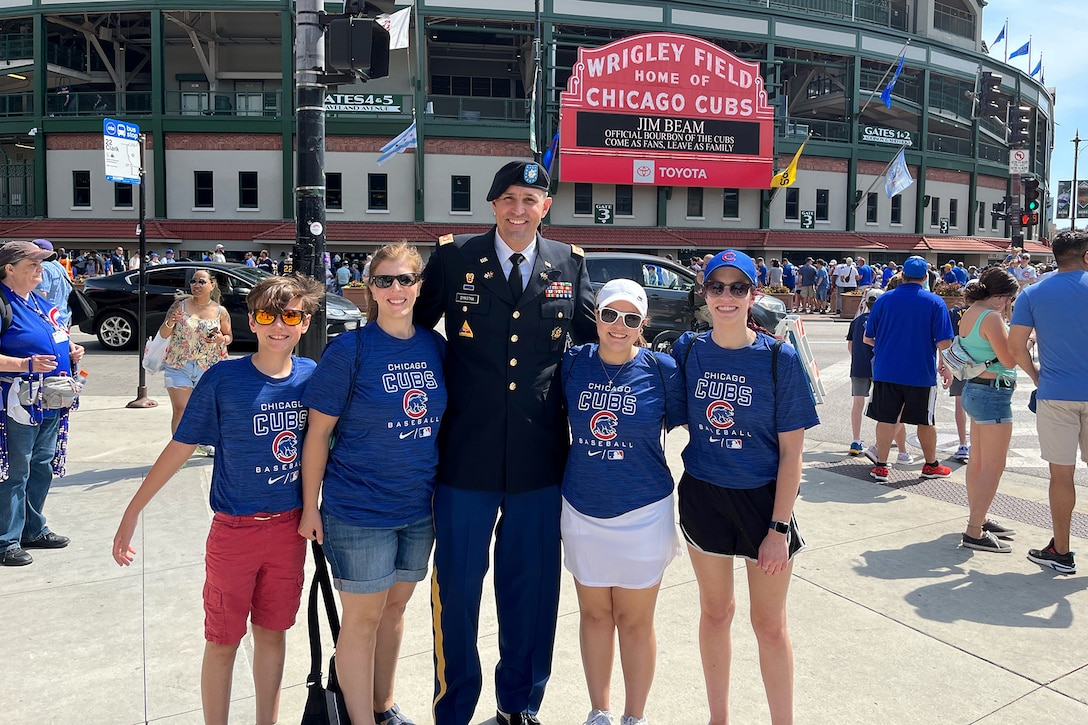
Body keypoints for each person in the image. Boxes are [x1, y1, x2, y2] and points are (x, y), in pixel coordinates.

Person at [415, 159, 596, 725]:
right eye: (509, 199)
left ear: (546, 208)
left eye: (531, 200)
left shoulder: (569, 262)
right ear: (493, 204)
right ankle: (456, 706)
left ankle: (519, 703)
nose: (519, 210)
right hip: (464, 455)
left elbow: (596, 347)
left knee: (532, 590)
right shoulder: (453, 258)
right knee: (458, 589)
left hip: (539, 458)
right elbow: (415, 334)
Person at [112, 274, 324, 723]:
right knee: (224, 640)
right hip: (234, 532)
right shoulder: (224, 379)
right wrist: (133, 511)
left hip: (290, 531)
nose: (278, 326)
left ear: (305, 322)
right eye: (267, 315)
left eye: (290, 316)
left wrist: (314, 510)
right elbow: (181, 446)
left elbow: (324, 446)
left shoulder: (312, 377)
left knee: (272, 634)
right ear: (251, 320)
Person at [299, 241, 447, 725]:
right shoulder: (349, 350)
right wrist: (310, 506)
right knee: (361, 621)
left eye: (405, 279)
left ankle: (383, 706)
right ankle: (359, 719)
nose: (395, 289)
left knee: (396, 609)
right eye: (384, 280)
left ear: (419, 286)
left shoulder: (434, 346)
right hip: (358, 510)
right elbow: (317, 434)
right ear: (369, 289)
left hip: (418, 508)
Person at [671, 249, 818, 725]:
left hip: (763, 502)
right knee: (715, 614)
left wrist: (778, 527)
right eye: (718, 287)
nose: (727, 297)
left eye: (739, 288)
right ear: (704, 293)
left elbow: (793, 454)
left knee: (769, 625)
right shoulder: (688, 350)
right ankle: (719, 718)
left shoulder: (779, 358)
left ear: (755, 294)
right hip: (704, 495)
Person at [560, 279, 684, 725]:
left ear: (642, 324)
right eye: (610, 314)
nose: (618, 325)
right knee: (594, 616)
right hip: (582, 505)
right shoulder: (572, 363)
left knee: (634, 622)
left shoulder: (662, 369)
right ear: (595, 315)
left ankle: (634, 716)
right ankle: (600, 711)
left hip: (643, 510)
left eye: (630, 319)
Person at [0, 241, 86, 566]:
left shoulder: (39, 302)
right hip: (17, 401)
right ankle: (6, 540)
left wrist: (73, 349)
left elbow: (58, 334)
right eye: (32, 263)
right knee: (16, 470)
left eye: (41, 263)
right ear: (10, 268)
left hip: (52, 398)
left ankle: (32, 528)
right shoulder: (2, 302)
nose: (40, 268)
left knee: (42, 465)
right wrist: (23, 365)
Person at [1008, 230, 1088, 574]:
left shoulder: (1034, 293)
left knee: (1061, 475)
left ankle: (1062, 551)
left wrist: (1038, 376)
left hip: (1056, 392)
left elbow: (1016, 347)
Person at [863, 255, 954, 482]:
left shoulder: (884, 300)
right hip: (920, 373)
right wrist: (946, 366)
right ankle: (931, 465)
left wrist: (886, 347)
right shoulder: (935, 302)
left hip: (886, 370)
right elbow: (944, 343)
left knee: (886, 418)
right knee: (925, 420)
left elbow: (868, 337)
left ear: (902, 276)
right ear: (925, 277)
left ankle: (881, 466)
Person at [954, 268, 1020, 553]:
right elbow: (1008, 360)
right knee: (993, 465)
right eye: (1010, 299)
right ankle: (974, 529)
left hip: (974, 388)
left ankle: (977, 518)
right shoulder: (991, 317)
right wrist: (1024, 343)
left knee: (979, 463)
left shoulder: (971, 311)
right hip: (993, 392)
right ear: (1001, 297)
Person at [158, 269, 232, 449]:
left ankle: (204, 443)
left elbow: (229, 336)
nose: (196, 285)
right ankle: (178, 452)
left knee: (206, 410)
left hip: (208, 366)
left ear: (211, 285)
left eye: (201, 282)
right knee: (181, 410)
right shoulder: (179, 306)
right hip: (179, 364)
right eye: (193, 281)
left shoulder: (220, 311)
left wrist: (221, 339)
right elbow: (163, 333)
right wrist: (171, 322)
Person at [846, 288, 910, 463]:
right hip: (881, 367)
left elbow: (850, 346)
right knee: (890, 408)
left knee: (857, 404)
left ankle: (856, 440)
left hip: (858, 367)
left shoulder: (857, 321)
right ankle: (895, 447)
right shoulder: (884, 320)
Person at [31, 239, 73, 331]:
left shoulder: (43, 268)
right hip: (64, 315)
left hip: (51, 319)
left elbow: (41, 295)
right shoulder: (58, 265)